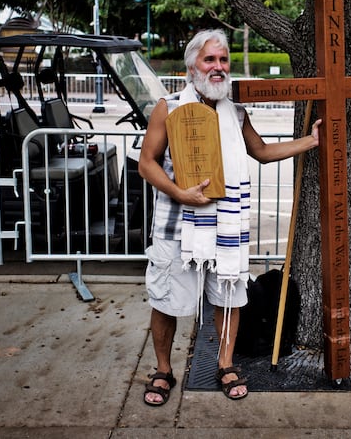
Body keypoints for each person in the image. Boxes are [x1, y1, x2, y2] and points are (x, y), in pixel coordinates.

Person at [138, 29, 321, 406]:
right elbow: (146, 163)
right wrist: (178, 192)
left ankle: (225, 364)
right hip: (177, 227)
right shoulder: (169, 108)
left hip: (226, 227)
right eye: (210, 60)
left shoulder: (236, 112)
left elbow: (263, 151)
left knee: (228, 299)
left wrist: (311, 142)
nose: (218, 67)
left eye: (223, 60)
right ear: (192, 67)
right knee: (166, 301)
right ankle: (162, 370)